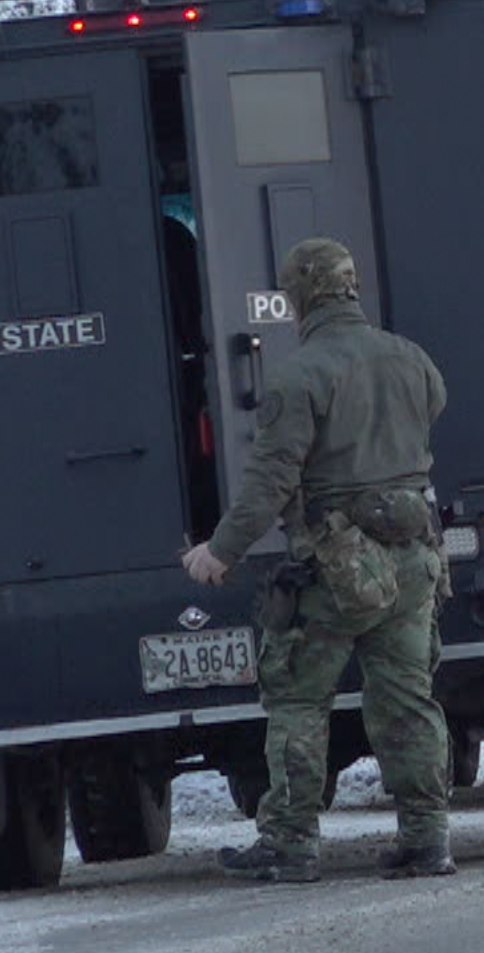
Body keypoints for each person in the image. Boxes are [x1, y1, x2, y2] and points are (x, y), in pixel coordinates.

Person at [180, 237, 456, 882]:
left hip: (335, 570)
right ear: (351, 287)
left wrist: (219, 552)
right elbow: (435, 406)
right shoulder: (411, 359)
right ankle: (427, 840)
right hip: (414, 560)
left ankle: (291, 842)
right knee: (408, 701)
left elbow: (271, 481)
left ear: (299, 296)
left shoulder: (300, 375)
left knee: (299, 699)